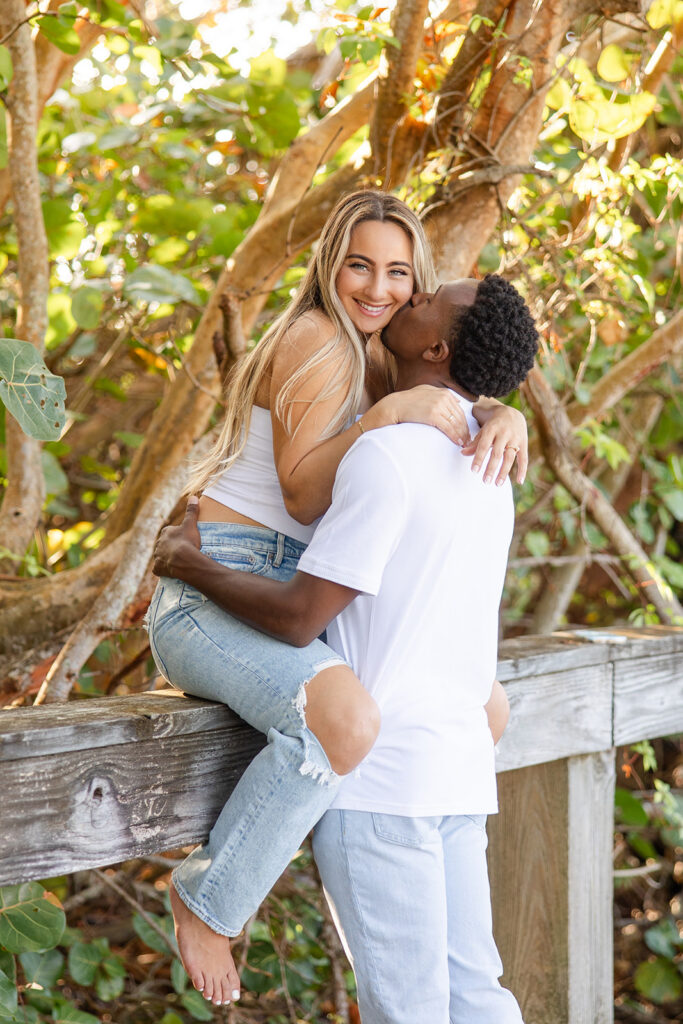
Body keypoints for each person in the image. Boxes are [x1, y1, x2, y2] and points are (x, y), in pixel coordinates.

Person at [147, 190, 528, 1007]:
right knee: (345, 720)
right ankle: (208, 897)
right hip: (219, 587)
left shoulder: (385, 353)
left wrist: (501, 413)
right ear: (330, 265)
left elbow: (456, 374)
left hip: (286, 594)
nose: (380, 287)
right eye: (360, 264)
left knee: (481, 705)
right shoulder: (316, 336)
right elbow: (306, 495)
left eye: (400, 272)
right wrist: (386, 413)